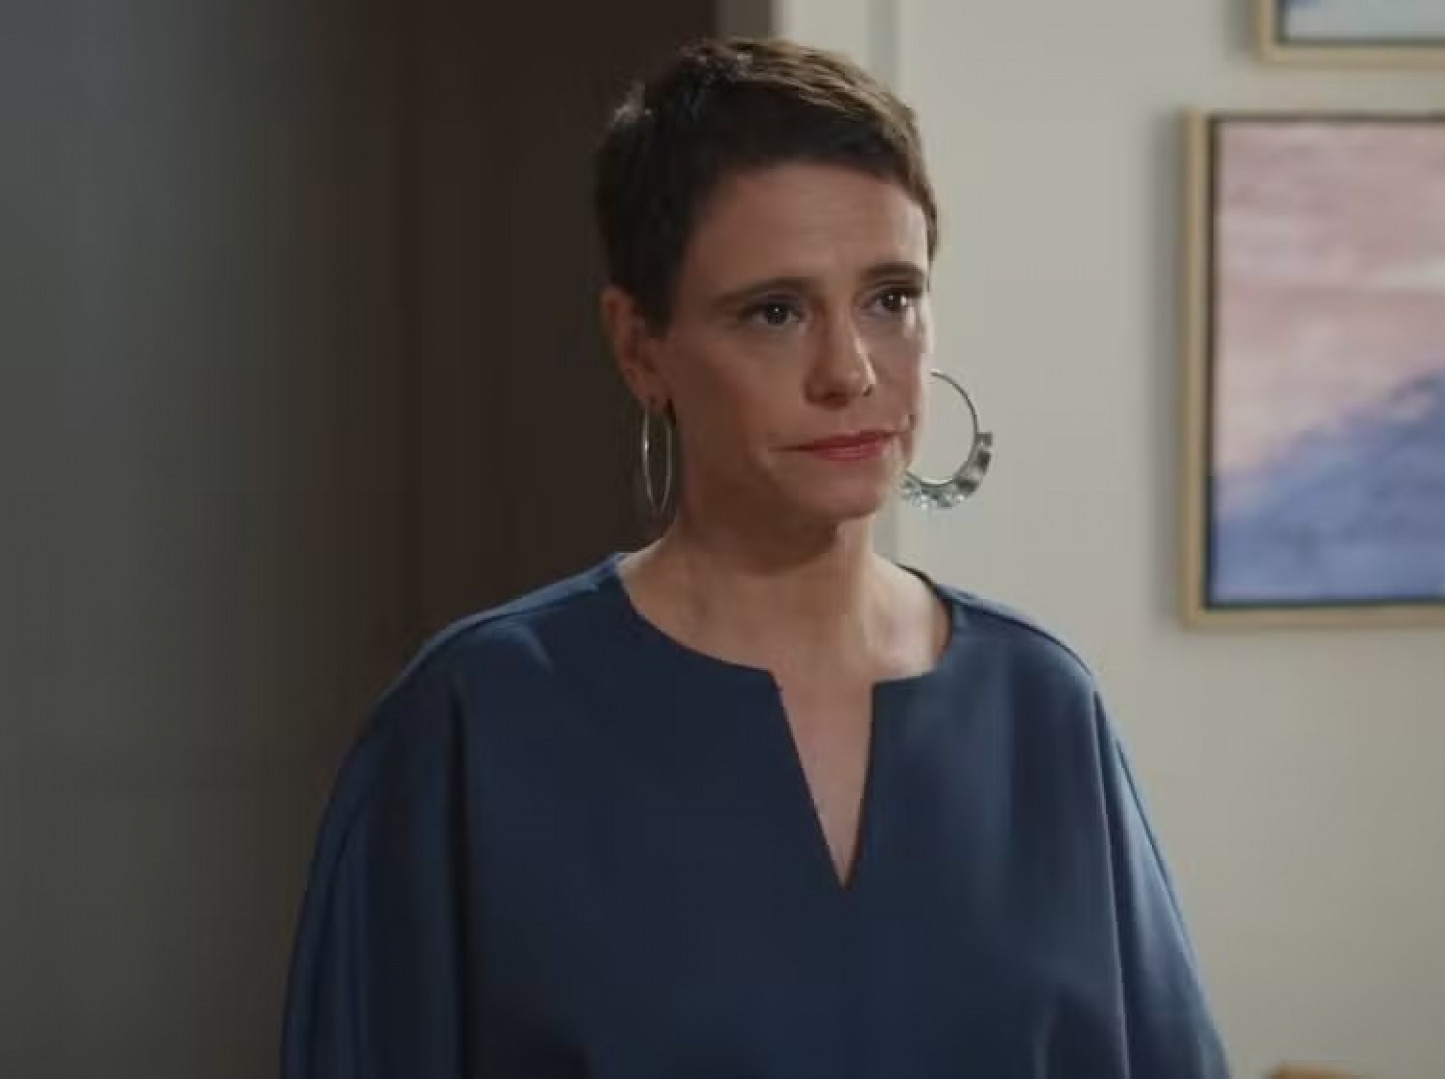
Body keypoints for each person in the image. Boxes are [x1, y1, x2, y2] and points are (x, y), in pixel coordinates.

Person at [280, 37, 1229, 1079]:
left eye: (891, 298)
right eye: (775, 312)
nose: (849, 371)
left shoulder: (1040, 707)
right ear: (639, 346)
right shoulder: (476, 719)